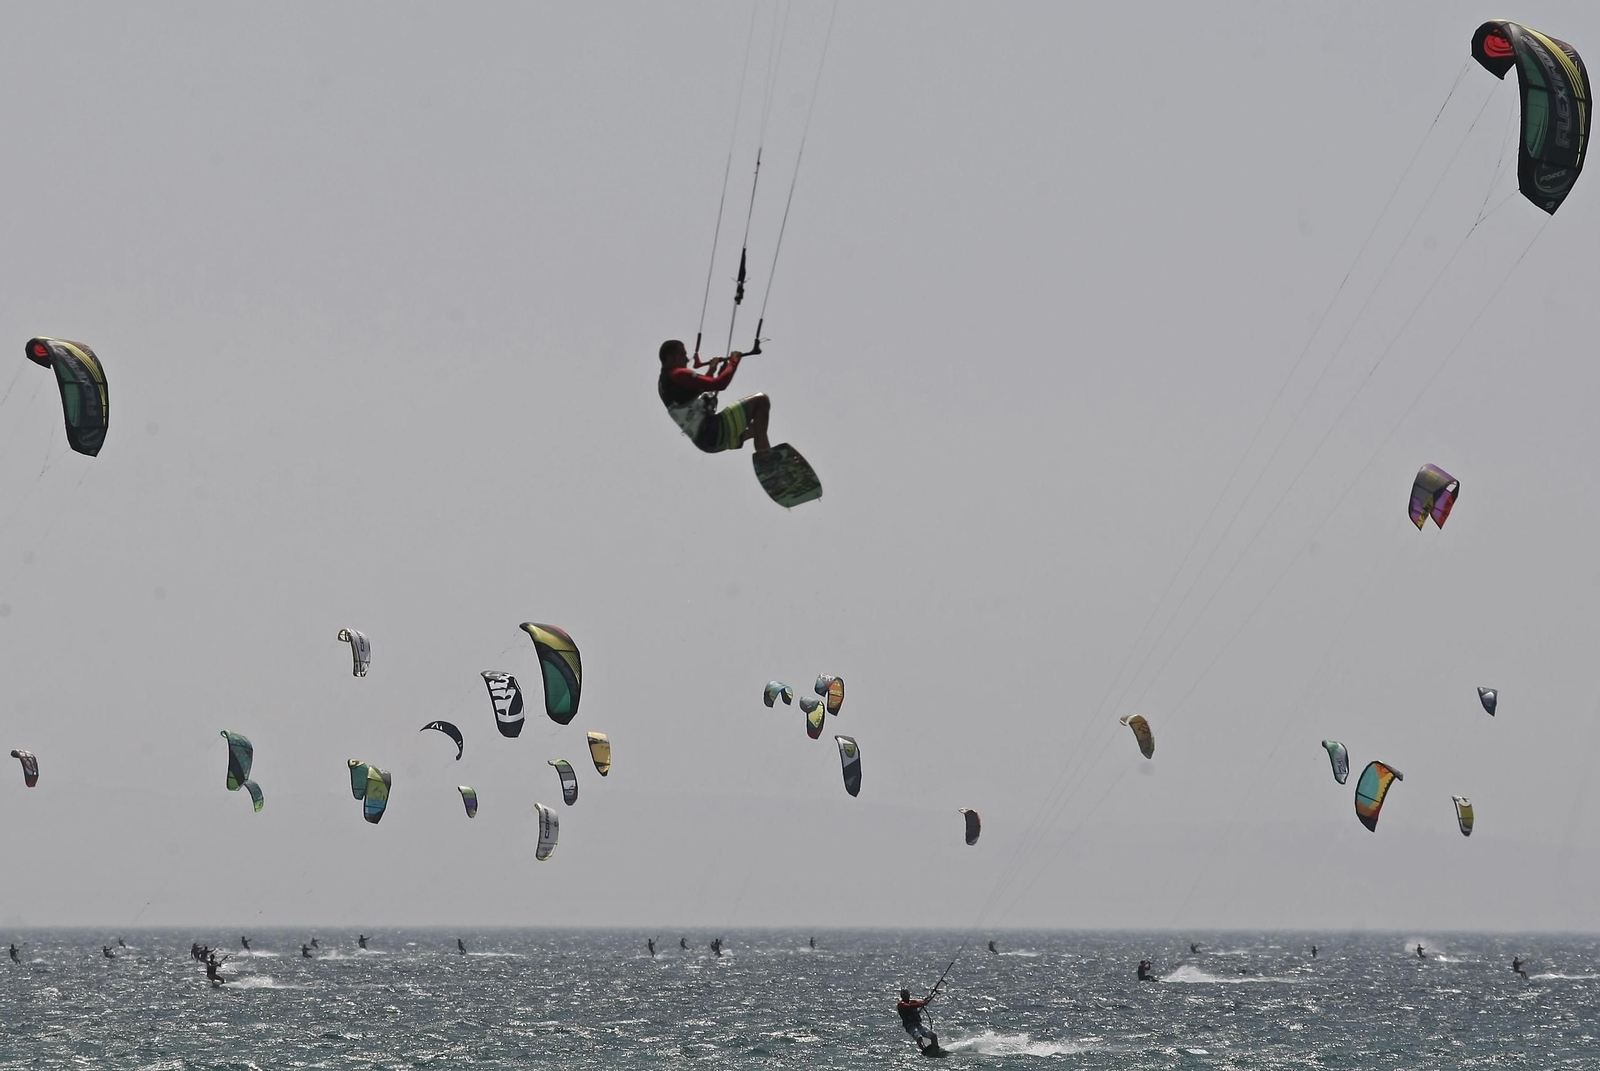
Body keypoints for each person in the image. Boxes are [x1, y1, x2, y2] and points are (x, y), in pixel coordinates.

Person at [657, 341, 773, 457]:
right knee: (761, 401)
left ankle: (769, 460)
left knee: (758, 426)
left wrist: (712, 371)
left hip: (707, 443)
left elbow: (696, 391)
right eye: (682, 354)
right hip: (714, 431)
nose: (687, 360)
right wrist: (733, 362)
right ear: (670, 358)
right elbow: (720, 384)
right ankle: (767, 460)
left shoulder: (664, 384)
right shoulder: (677, 374)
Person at [895, 988, 939, 1052]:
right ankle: (925, 1050)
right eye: (904, 994)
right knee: (919, 1037)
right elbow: (909, 1006)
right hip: (910, 1026)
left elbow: (920, 1002)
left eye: (907, 994)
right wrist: (921, 1004)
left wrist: (926, 1000)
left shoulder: (912, 1002)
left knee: (934, 1036)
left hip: (918, 1024)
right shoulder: (901, 1004)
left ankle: (936, 1048)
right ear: (902, 996)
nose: (906, 996)